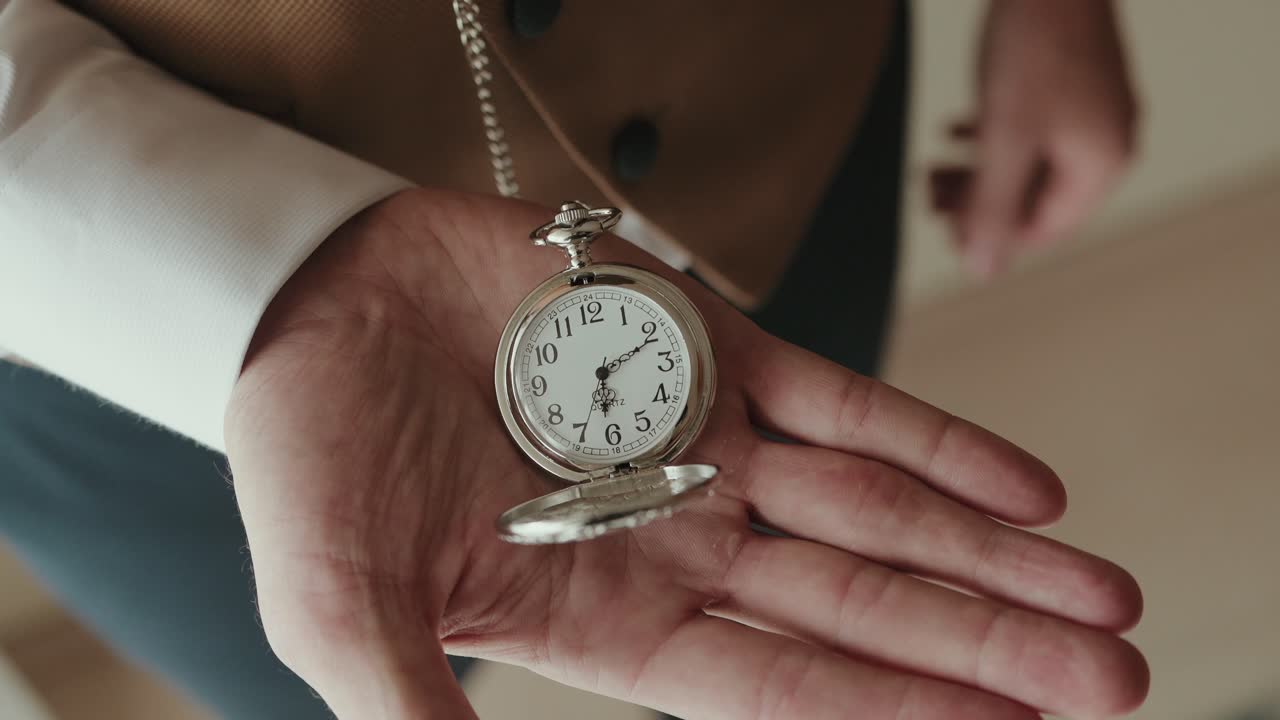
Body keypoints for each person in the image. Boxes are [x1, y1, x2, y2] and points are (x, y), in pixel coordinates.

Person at [0, 0, 1144, 718]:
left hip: (773, 127)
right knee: (290, 673)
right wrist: (299, 300)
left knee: (781, 566)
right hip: (130, 314)